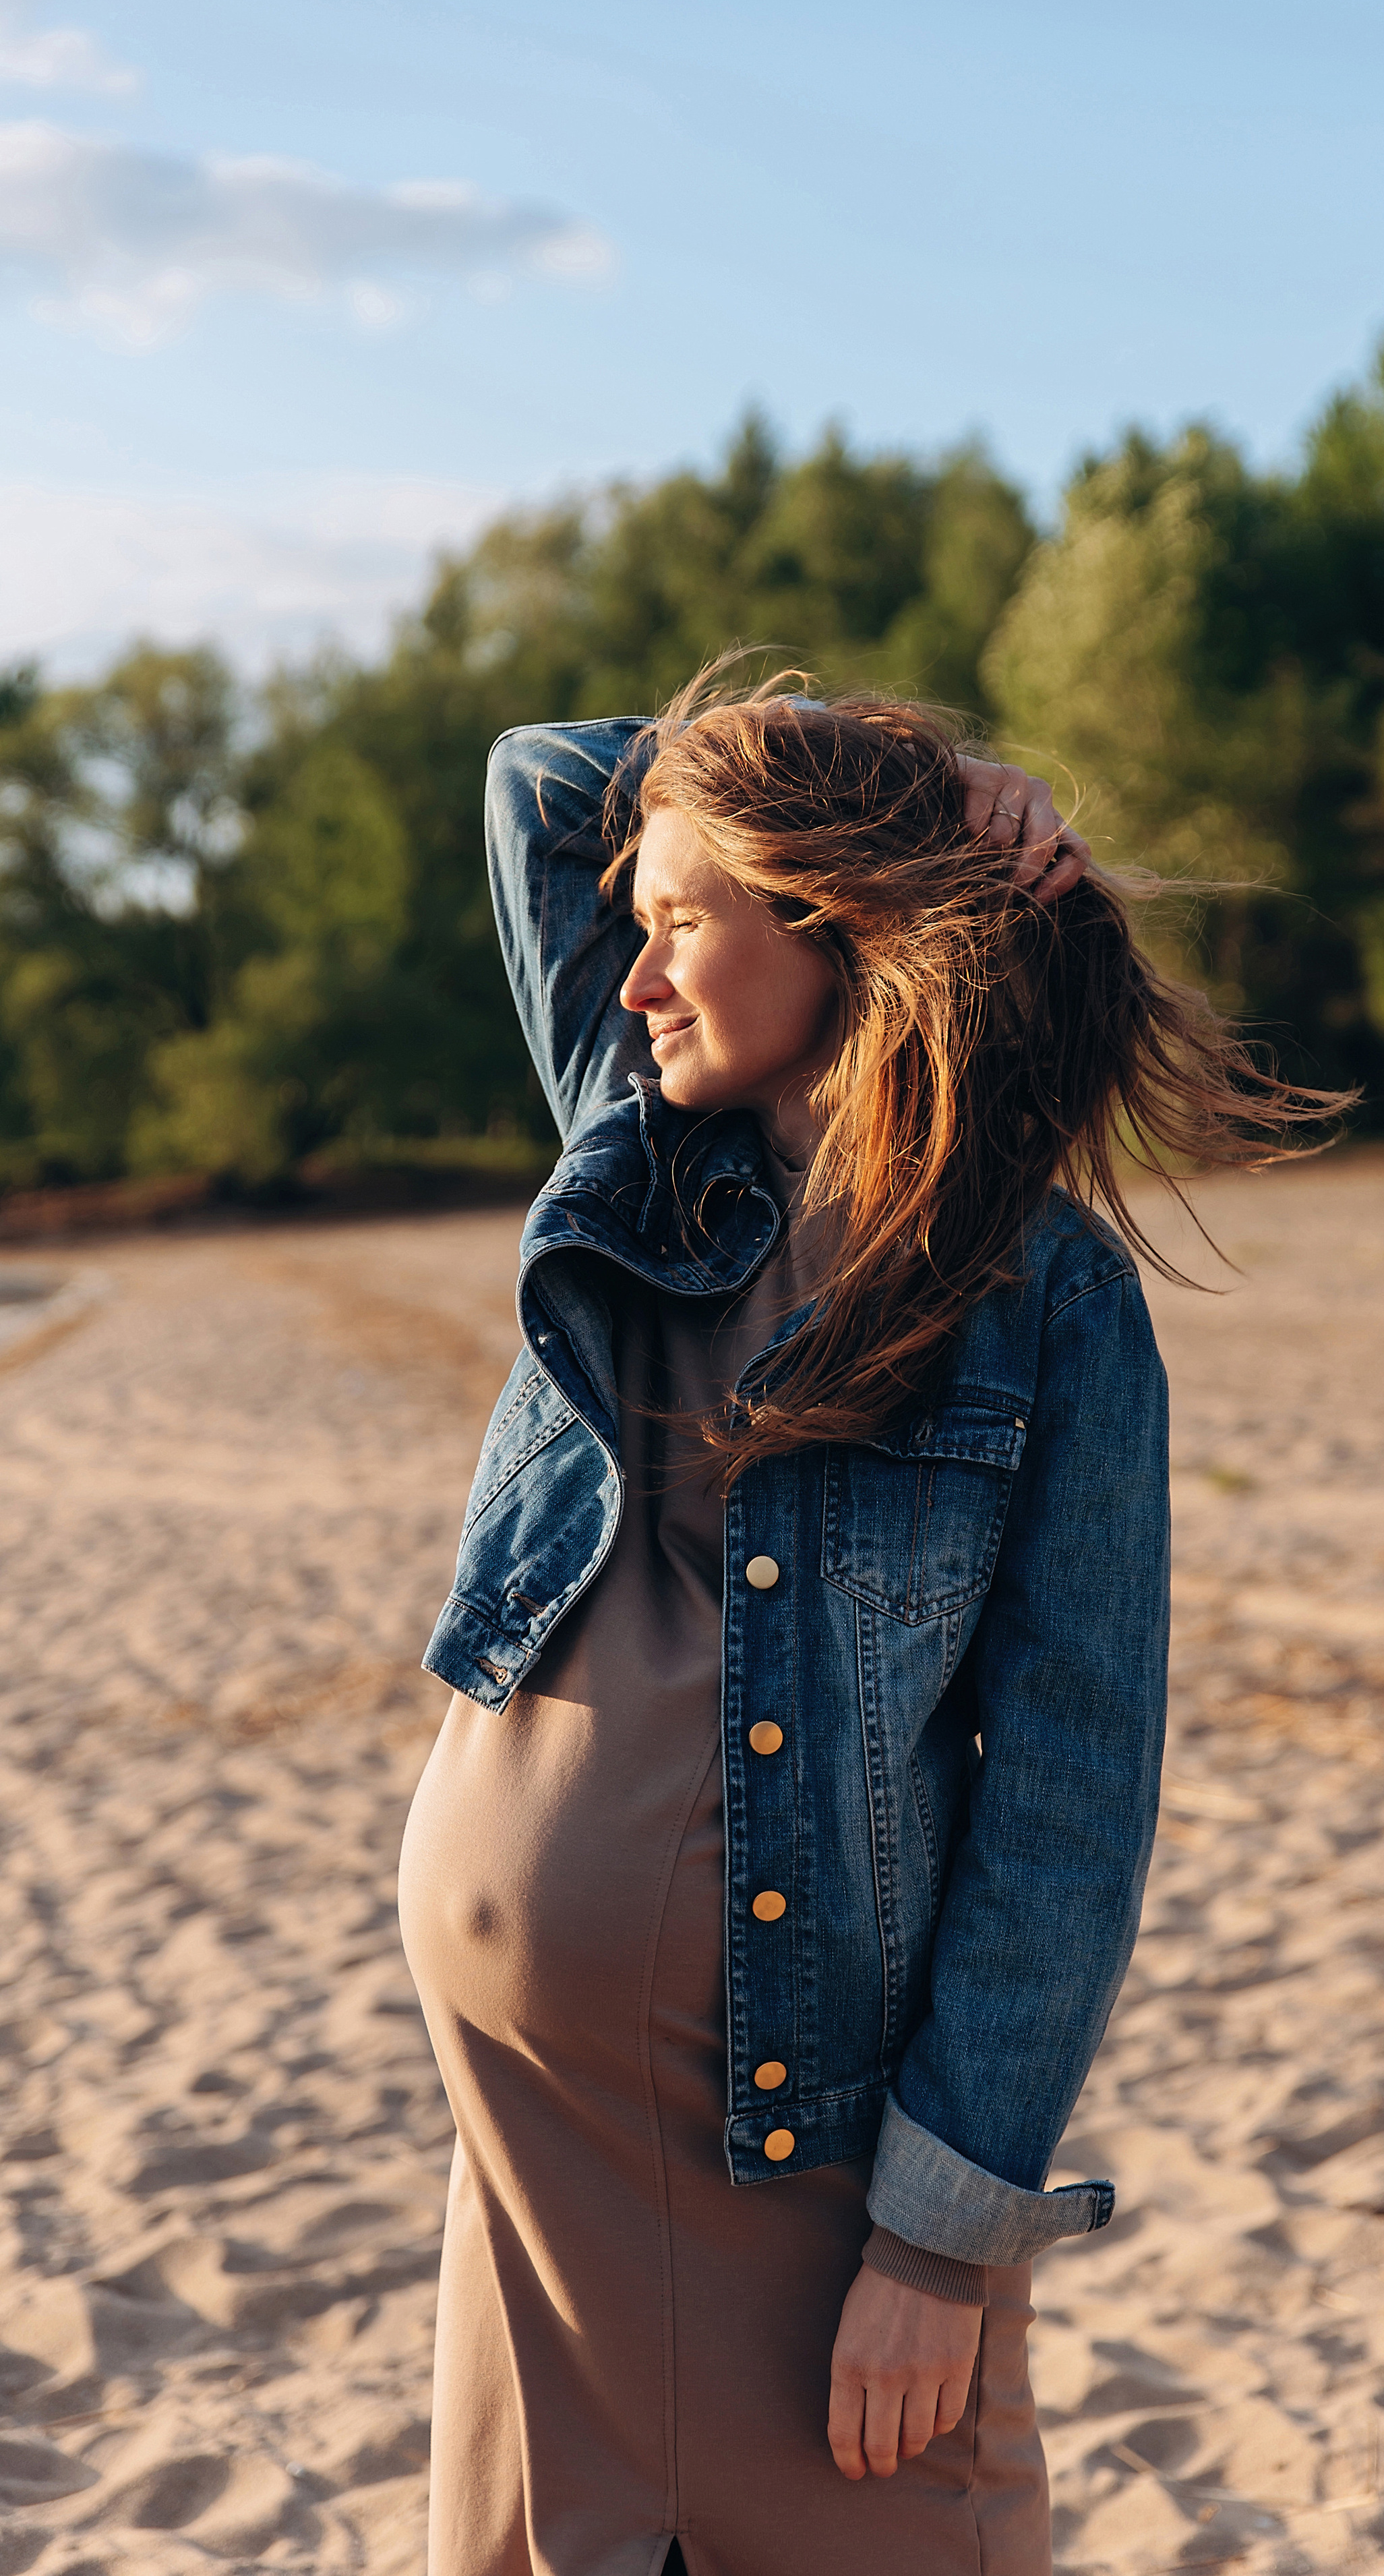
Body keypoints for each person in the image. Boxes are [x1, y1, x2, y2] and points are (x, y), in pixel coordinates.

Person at [398, 673, 1335, 2575]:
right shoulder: (644, 1154)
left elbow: (1071, 1804)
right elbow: (533, 785)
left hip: (806, 2173)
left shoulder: (1044, 1302)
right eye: (637, 926)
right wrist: (924, 781)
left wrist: (935, 2246)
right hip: (543, 2172)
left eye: (681, 925)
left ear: (838, 928)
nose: (636, 980)